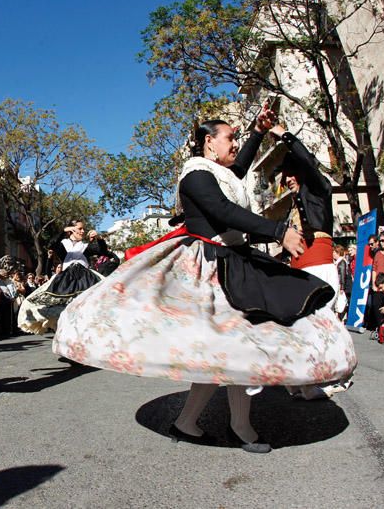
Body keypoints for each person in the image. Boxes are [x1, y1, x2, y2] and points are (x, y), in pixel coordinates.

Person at [54, 114, 356, 453]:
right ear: (208, 141)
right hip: (212, 268)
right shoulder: (195, 174)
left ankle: (189, 422)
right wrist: (277, 231)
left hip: (235, 261)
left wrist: (258, 133)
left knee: (222, 351)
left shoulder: (219, 172)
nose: (236, 144)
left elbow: (238, 170)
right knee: (235, 347)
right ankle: (239, 426)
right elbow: (221, 209)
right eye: (230, 137)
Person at [269, 123, 351, 400]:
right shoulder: (292, 205)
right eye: (285, 176)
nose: (288, 180)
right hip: (301, 271)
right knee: (304, 328)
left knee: (324, 326)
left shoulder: (317, 190)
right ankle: (310, 377)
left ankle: (333, 377)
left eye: (291, 174)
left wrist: (283, 135)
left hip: (319, 268)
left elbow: (308, 162)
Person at [17, 221, 112, 335]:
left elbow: (103, 251)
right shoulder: (63, 244)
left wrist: (100, 238)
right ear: (72, 230)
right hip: (66, 279)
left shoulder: (85, 246)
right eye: (80, 228)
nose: (83, 231)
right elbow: (51, 244)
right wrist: (63, 231)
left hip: (86, 278)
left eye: (83, 229)